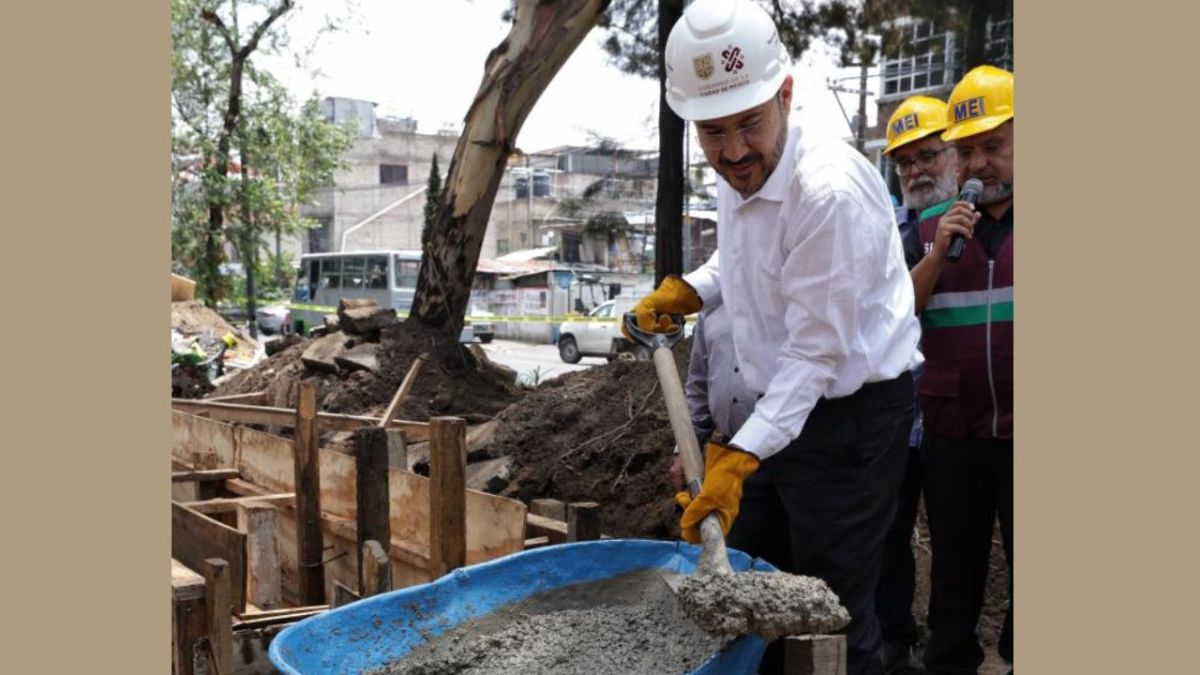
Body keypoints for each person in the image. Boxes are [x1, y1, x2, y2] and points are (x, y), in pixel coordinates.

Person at [628, 1, 923, 673]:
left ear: (784, 94)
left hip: (849, 420)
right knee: (749, 576)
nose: (732, 151)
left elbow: (813, 355)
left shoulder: (827, 193)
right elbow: (752, 260)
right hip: (778, 414)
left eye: (747, 125)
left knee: (831, 607)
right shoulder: (746, 169)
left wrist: (738, 455)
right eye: (712, 132)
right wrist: (692, 290)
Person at [901, 65, 1014, 675]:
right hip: (952, 431)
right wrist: (938, 254)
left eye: (993, 146)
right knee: (954, 567)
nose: (978, 164)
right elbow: (897, 317)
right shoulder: (927, 229)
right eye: (967, 151)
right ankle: (949, 660)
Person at [875, 94, 959, 673]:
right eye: (905, 163)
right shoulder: (886, 230)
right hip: (902, 414)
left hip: (965, 416)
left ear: (956, 155)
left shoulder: (989, 223)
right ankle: (896, 636)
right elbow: (893, 310)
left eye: (928, 155)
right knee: (890, 533)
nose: (916, 172)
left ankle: (957, 636)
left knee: (961, 536)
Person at [668, 298, 758, 493]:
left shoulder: (787, 296)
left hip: (799, 455)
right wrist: (686, 448)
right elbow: (699, 384)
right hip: (734, 452)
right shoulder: (712, 306)